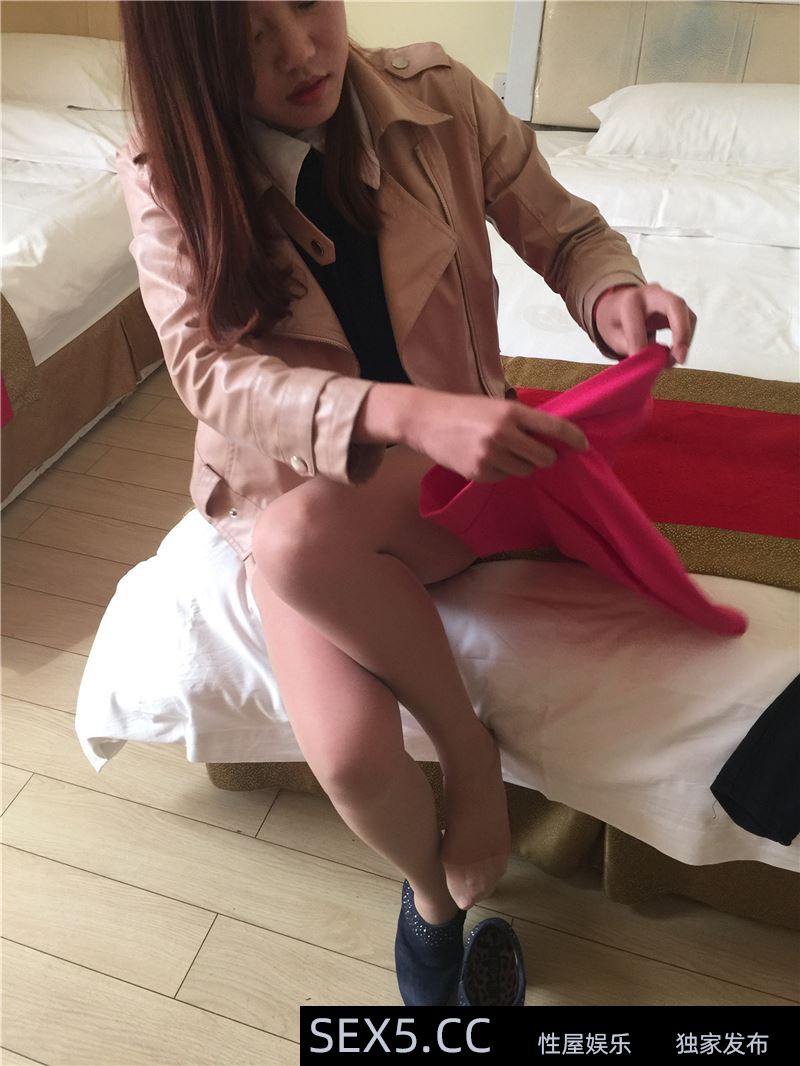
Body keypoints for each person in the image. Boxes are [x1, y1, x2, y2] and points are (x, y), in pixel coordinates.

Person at [117, 0, 696, 1005]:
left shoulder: (439, 98)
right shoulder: (168, 173)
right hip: (299, 487)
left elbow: (567, 232)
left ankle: (467, 764)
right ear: (189, 58)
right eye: (248, 39)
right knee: (345, 753)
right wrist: (402, 412)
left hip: (449, 480)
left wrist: (612, 295)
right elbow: (207, 371)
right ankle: (433, 896)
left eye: (307, 3)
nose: (300, 51)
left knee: (298, 544)